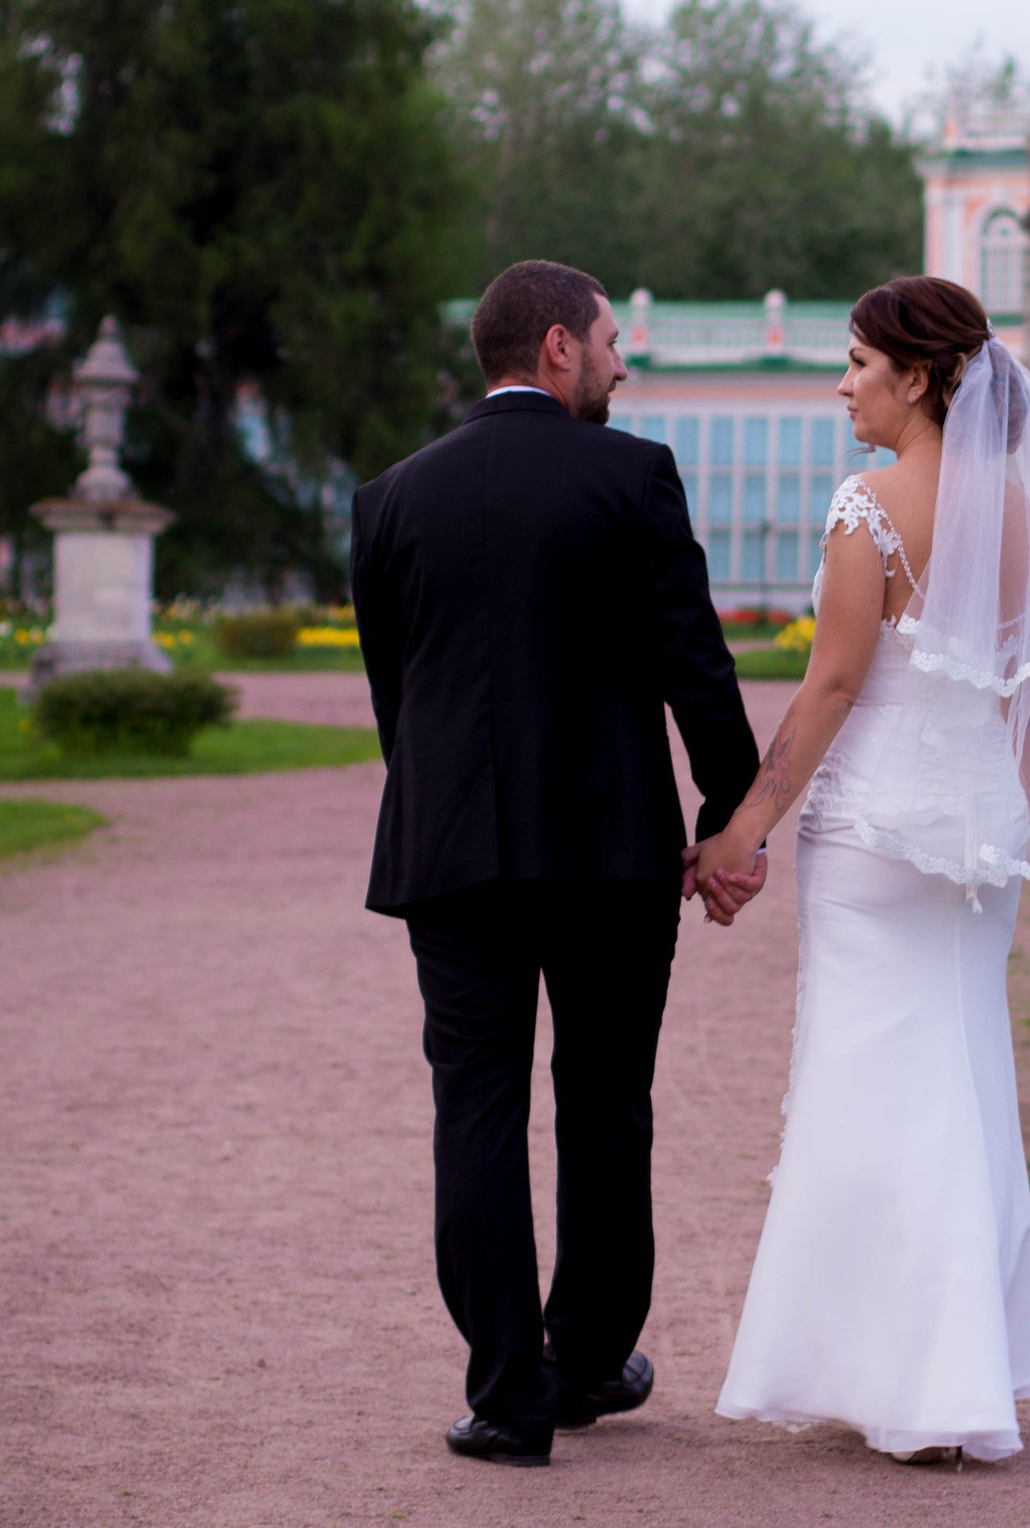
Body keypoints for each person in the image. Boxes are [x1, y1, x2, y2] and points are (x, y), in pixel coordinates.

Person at [695, 276, 1030, 1465]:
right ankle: (952, 1373)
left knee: (867, 1090)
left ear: (918, 378)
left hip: (874, 834)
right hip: (979, 839)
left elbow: (833, 686)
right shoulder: (1022, 516)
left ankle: (903, 1378)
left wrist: (743, 829)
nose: (843, 386)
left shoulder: (867, 506)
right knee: (962, 1083)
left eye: (857, 364)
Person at [351, 259, 764, 1468]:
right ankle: (583, 1361)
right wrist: (730, 818)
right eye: (611, 342)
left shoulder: (390, 498)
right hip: (610, 853)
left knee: (474, 1111)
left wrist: (444, 806)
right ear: (556, 348)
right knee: (604, 1103)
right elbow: (693, 662)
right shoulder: (630, 476)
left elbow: (397, 697)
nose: (622, 365)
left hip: (452, 853)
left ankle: (506, 1397)